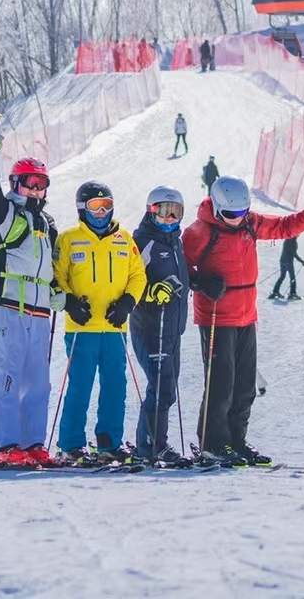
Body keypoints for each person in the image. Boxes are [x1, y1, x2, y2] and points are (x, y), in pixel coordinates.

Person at [185, 177, 304, 463]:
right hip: (216, 317)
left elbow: (284, 227)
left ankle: (236, 441)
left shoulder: (249, 223)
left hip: (247, 316)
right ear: (218, 208)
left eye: (243, 212)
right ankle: (214, 444)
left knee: (245, 386)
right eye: (232, 214)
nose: (238, 219)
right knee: (221, 385)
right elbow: (179, 263)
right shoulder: (200, 232)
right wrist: (199, 281)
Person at [0, 116, 59, 468]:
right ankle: (4, 444)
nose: (36, 190)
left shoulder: (47, 224)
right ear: (16, 184)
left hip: (40, 312)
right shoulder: (7, 212)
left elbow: (51, 267)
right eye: (29, 184)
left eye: (41, 184)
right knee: (9, 377)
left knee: (38, 382)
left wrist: (57, 291)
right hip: (9, 306)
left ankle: (32, 444)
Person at [54, 180, 146, 463]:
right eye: (95, 206)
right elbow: (57, 276)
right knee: (80, 387)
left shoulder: (124, 239)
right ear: (82, 208)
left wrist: (127, 304)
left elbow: (137, 275)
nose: (102, 212)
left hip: (114, 329)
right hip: (82, 329)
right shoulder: (69, 239)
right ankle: (71, 445)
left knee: (115, 387)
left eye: (106, 205)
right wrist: (70, 302)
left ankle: (108, 443)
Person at [130, 185, 190, 461]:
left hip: (173, 327)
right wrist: (152, 292)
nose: (169, 219)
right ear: (150, 211)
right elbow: (127, 281)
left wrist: (201, 282)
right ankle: (150, 447)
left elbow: (179, 276)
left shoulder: (175, 242)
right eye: (164, 212)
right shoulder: (143, 242)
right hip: (151, 327)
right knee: (161, 387)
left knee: (167, 390)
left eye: (175, 213)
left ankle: (156, 444)